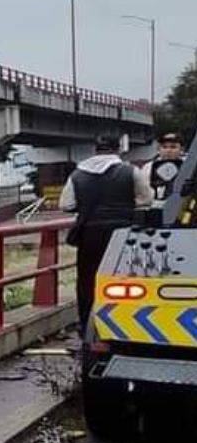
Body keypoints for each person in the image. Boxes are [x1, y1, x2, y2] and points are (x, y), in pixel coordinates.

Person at [60, 134, 152, 326]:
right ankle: (125, 322)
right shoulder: (131, 171)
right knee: (126, 278)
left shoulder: (77, 175)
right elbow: (146, 200)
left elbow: (66, 205)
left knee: (88, 279)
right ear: (118, 149)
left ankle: (87, 324)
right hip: (124, 232)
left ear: (96, 150)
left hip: (90, 234)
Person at [141, 132, 187, 203]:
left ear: (181, 149)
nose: (168, 150)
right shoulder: (148, 167)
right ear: (158, 149)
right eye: (164, 147)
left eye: (173, 147)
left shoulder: (187, 167)